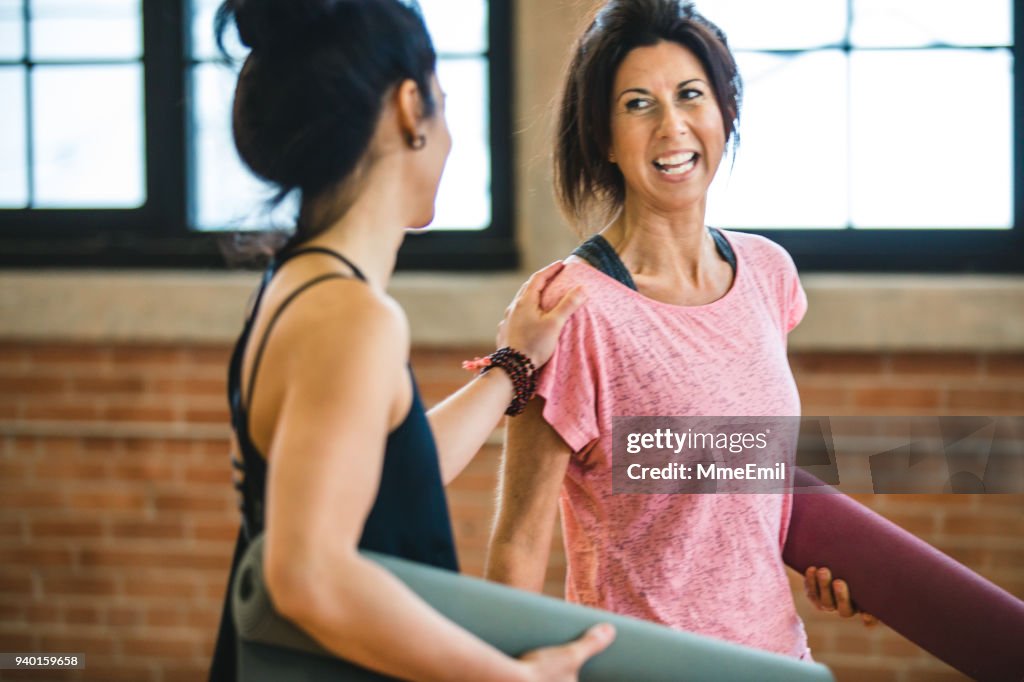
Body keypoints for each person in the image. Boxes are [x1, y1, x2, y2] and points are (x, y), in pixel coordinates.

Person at [206, 1, 616, 680]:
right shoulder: (350, 316)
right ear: (407, 109)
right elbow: (308, 575)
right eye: (443, 105)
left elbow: (394, 470)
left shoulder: (299, 286)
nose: (451, 136)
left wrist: (512, 367)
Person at [485, 0, 873, 662]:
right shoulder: (570, 306)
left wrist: (822, 553)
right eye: (638, 104)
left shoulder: (766, 274)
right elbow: (519, 541)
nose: (673, 125)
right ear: (603, 137)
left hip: (778, 663)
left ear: (725, 112)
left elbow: (734, 476)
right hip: (646, 670)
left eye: (692, 95)